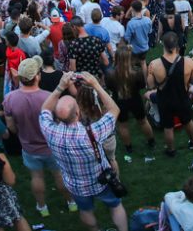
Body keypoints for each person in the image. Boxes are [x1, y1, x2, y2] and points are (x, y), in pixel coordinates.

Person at [38, 71, 129, 231]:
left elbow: (44, 109)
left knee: (86, 211)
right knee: (115, 206)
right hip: (101, 182)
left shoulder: (50, 131)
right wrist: (95, 84)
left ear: (58, 117)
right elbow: (114, 109)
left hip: (75, 185)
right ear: (78, 113)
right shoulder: (92, 133)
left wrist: (60, 87)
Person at [3, 56, 76, 217]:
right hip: (51, 145)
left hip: (29, 146)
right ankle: (71, 203)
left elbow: (11, 127)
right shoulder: (48, 97)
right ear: (37, 76)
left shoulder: (10, 98)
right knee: (59, 174)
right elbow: (59, 121)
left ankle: (42, 208)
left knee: (36, 177)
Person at [147, 31, 193, 156]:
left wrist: (151, 74)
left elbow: (150, 85)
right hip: (182, 98)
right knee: (187, 121)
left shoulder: (154, 64)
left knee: (168, 126)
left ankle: (171, 150)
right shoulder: (188, 62)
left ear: (163, 45)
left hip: (164, 100)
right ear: (177, 45)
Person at [106, 43, 155, 155]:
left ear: (117, 58)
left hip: (119, 101)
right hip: (135, 99)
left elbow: (109, 87)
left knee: (123, 125)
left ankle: (129, 148)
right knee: (143, 121)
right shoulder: (137, 72)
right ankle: (151, 142)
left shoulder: (110, 74)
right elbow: (142, 86)